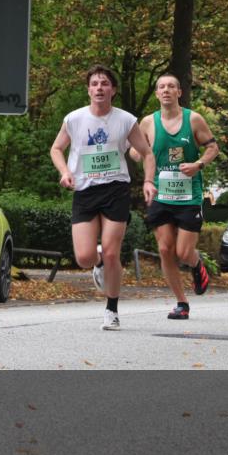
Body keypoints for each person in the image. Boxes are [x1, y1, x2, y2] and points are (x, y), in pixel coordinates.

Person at [50, 64, 156, 331]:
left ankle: (112, 309)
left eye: (104, 83)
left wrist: (148, 181)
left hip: (115, 189)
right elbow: (56, 148)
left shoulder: (126, 120)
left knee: (112, 251)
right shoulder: (74, 119)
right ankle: (96, 262)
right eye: (95, 83)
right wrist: (64, 172)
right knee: (84, 258)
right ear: (88, 90)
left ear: (113, 90)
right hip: (85, 191)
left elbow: (147, 153)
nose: (99, 88)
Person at [128, 73, 219, 320]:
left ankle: (197, 263)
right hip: (160, 194)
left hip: (189, 196)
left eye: (171, 86)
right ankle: (181, 302)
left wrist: (197, 164)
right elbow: (137, 152)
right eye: (161, 87)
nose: (166, 90)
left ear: (179, 92)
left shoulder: (194, 119)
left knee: (183, 252)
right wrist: (137, 153)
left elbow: (213, 147)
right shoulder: (147, 122)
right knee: (166, 249)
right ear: (157, 93)